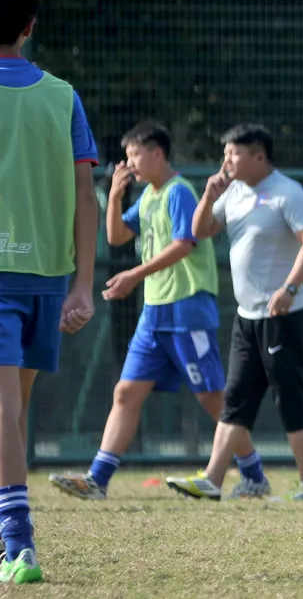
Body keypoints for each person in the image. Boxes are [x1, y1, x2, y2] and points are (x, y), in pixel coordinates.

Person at [49, 124, 268, 500]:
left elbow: (185, 243)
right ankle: (98, 480)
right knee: (126, 392)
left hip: (187, 307)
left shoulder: (178, 192)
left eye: (134, 154)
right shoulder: (149, 196)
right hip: (154, 313)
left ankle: (253, 475)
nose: (129, 163)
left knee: (212, 398)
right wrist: (115, 196)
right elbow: (117, 236)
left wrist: (134, 274)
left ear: (157, 154)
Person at [0, 0, 99, 584]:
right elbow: (85, 194)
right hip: (48, 278)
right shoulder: (63, 95)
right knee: (10, 411)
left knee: (8, 411)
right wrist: (84, 284)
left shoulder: (65, 97)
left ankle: (17, 544)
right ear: (31, 26)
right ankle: (13, 533)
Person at [166, 124, 303, 501]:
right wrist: (208, 195)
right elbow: (200, 230)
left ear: (258, 156)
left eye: (233, 154)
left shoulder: (288, 193)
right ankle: (213, 481)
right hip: (246, 318)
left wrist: (289, 288)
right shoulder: (232, 191)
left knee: (290, 400)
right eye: (225, 154)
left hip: (284, 318)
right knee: (235, 398)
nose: (227, 161)